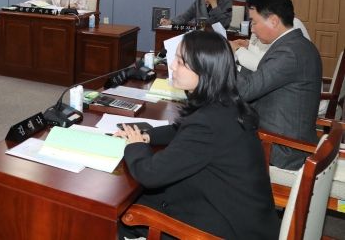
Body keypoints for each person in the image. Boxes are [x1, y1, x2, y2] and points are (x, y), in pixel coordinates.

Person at [116, 31, 279, 239]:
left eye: (180, 62)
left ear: (205, 71)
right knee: (140, 199)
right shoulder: (225, 103)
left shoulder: (207, 123)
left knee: (121, 213)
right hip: (241, 213)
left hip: (229, 229)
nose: (172, 66)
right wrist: (147, 135)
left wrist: (135, 145)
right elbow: (183, 129)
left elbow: (149, 174)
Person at [234, 0, 321, 169]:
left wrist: (222, 60)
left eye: (254, 22)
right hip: (280, 138)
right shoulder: (293, 45)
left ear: (273, 21)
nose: (252, 29)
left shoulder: (289, 52)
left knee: (213, 143)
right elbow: (258, 79)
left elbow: (244, 91)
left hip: (281, 150)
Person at [231, 16, 310, 71]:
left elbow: (264, 67)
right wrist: (249, 45)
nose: (252, 30)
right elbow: (263, 52)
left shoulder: (290, 25)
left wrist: (238, 49)